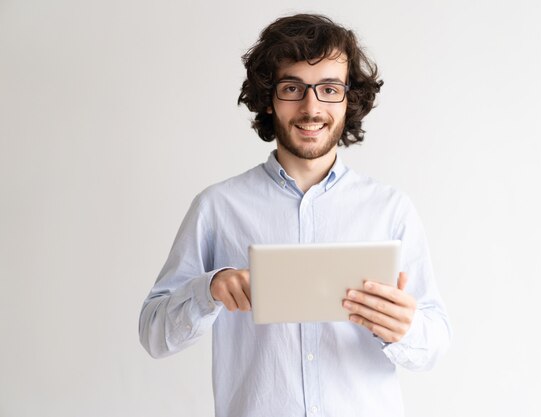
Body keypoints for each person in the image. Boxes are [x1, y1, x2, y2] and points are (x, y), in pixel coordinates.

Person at [139, 13, 451, 417]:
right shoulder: (217, 207)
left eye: (328, 89)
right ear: (268, 97)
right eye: (292, 88)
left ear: (348, 98)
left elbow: (436, 343)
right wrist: (209, 289)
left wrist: (405, 328)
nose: (311, 107)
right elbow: (153, 334)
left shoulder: (390, 209)